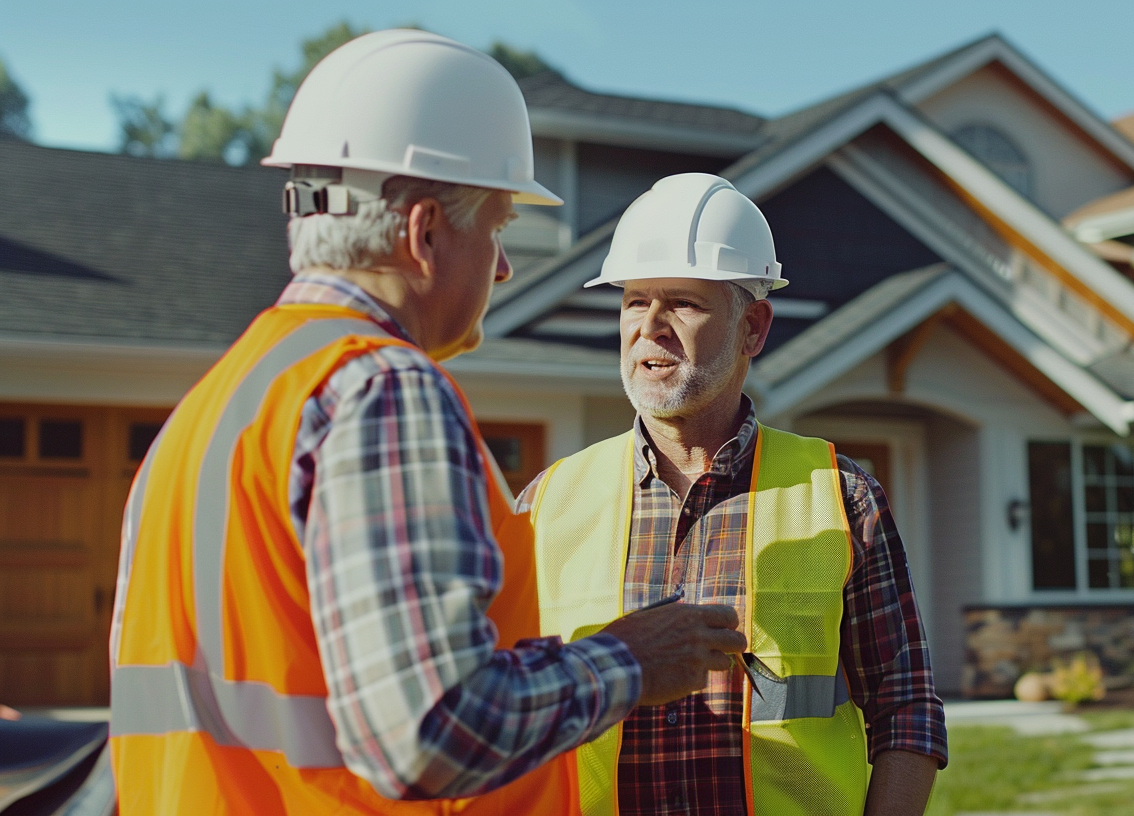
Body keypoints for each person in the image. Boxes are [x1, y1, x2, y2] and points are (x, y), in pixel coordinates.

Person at [107, 32, 745, 815]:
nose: (504, 268)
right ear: (426, 231)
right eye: (501, 227)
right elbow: (429, 735)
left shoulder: (215, 405)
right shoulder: (379, 388)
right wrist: (630, 661)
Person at [520, 173, 948, 816]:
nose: (652, 328)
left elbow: (906, 706)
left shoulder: (841, 496)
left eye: (685, 304)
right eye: (635, 302)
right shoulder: (546, 502)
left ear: (753, 328)